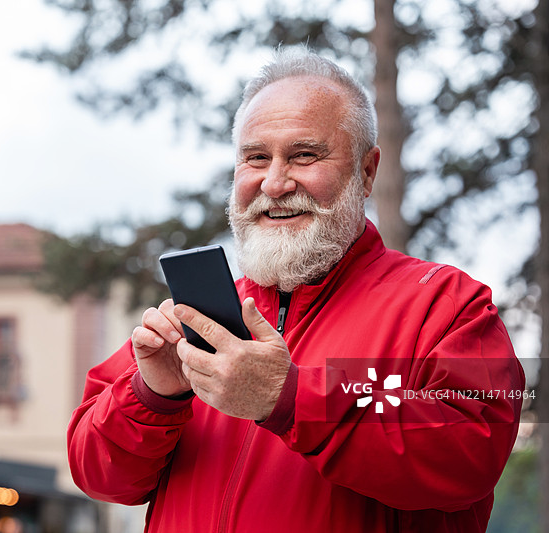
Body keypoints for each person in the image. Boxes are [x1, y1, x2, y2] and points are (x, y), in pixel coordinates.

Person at [67, 46, 525, 532]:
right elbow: (99, 477)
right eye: (256, 158)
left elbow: (469, 453)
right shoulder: (193, 317)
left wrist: (288, 398)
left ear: (366, 172)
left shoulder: (447, 305)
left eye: (305, 155)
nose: (274, 183)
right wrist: (153, 394)